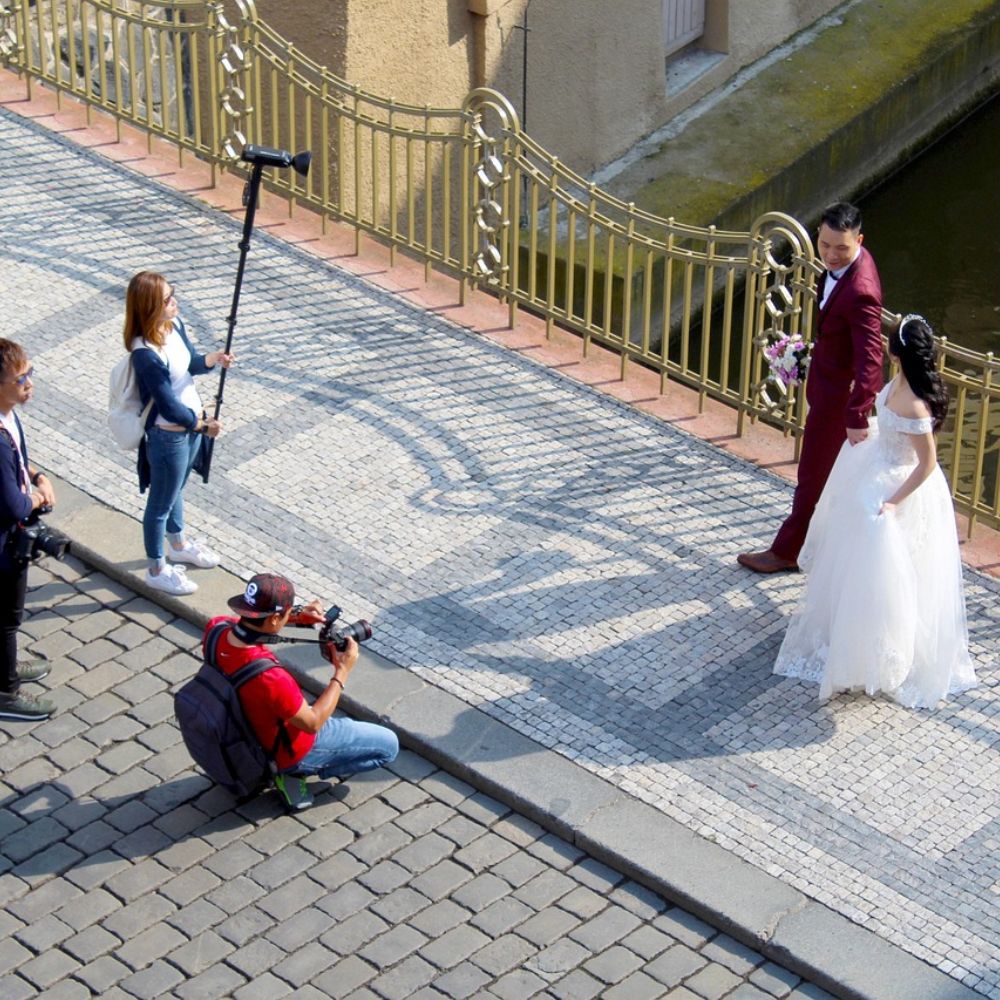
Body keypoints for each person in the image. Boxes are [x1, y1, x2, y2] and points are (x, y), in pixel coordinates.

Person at [774, 315, 976, 708]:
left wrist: (893, 501)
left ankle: (882, 652)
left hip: (901, 486)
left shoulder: (916, 405)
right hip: (876, 465)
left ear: (896, 352)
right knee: (855, 559)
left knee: (894, 569)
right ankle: (850, 633)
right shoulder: (899, 383)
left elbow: (926, 465)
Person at [739, 202, 884, 573]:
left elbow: (871, 359)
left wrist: (856, 413)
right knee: (825, 478)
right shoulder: (845, 267)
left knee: (812, 478)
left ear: (860, 241)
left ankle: (787, 551)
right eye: (824, 245)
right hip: (826, 384)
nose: (831, 256)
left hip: (838, 402)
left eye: (841, 248)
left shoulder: (861, 291)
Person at [205, 573, 399, 808]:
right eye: (287, 612)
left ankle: (287, 769)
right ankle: (294, 771)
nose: (290, 615)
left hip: (243, 730)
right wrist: (342, 671)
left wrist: (296, 617)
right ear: (275, 618)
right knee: (388, 746)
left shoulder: (216, 629)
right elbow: (313, 722)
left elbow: (252, 626)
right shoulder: (271, 677)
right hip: (289, 747)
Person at [126, 271, 232, 596]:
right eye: (168, 299)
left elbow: (190, 364)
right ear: (149, 307)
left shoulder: (174, 326)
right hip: (169, 435)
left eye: (173, 294)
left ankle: (179, 544)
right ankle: (157, 568)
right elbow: (168, 405)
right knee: (160, 502)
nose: (175, 301)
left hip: (190, 428)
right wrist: (203, 425)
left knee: (176, 490)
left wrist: (212, 359)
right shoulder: (144, 352)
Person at [0, 340, 57, 722]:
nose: (30, 384)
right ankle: (6, 692)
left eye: (30, 374)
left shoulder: (8, 416)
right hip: (3, 546)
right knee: (6, 619)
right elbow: (14, 505)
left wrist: (37, 475)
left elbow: (21, 460)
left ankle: (5, 665)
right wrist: (37, 498)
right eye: (22, 379)